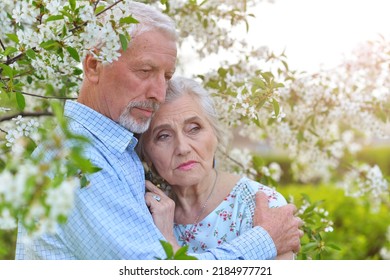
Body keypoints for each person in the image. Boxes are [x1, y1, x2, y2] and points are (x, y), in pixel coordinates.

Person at [15, 1, 302, 260]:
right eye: (144, 71)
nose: (159, 93)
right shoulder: (77, 159)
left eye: (166, 76)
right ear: (93, 65)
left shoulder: (116, 152)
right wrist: (265, 239)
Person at [137, 76, 295, 259]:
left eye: (194, 128)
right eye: (163, 136)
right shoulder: (149, 214)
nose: (182, 148)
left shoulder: (262, 208)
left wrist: (169, 244)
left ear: (215, 134)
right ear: (146, 155)